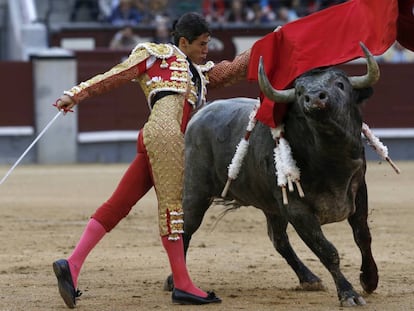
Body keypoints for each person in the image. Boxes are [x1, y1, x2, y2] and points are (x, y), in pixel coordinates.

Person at [52, 12, 251, 308]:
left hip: (155, 138)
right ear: (183, 41)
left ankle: (73, 264)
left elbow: (233, 70)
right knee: (172, 210)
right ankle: (183, 285)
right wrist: (75, 94)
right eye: (202, 44)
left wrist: (272, 41)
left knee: (119, 203)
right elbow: (116, 75)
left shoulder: (198, 73)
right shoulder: (156, 54)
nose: (206, 49)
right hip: (167, 138)